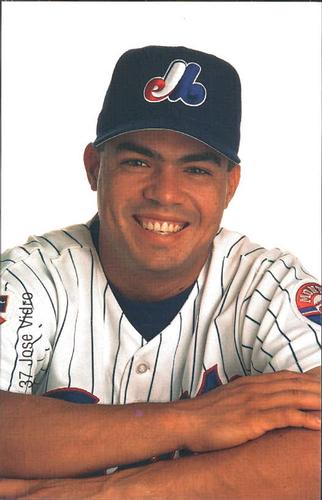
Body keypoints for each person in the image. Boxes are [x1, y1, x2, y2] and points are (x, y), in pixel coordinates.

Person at [0, 45, 320, 499]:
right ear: (95, 168)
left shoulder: (266, 285)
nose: (165, 193)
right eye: (138, 161)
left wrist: (111, 492)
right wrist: (196, 421)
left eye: (195, 169)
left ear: (230, 186)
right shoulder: (33, 277)